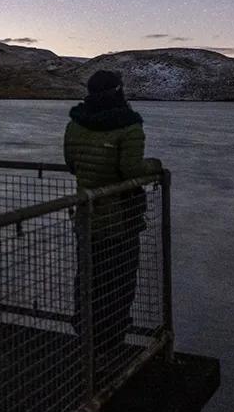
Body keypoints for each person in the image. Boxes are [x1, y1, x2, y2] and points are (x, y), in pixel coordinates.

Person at [63, 69, 162, 354]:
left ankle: (85, 335)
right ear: (118, 91)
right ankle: (112, 340)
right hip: (121, 218)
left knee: (88, 276)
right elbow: (130, 170)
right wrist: (154, 165)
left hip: (86, 213)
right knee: (119, 280)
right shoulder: (129, 126)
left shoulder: (75, 123)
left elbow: (72, 164)